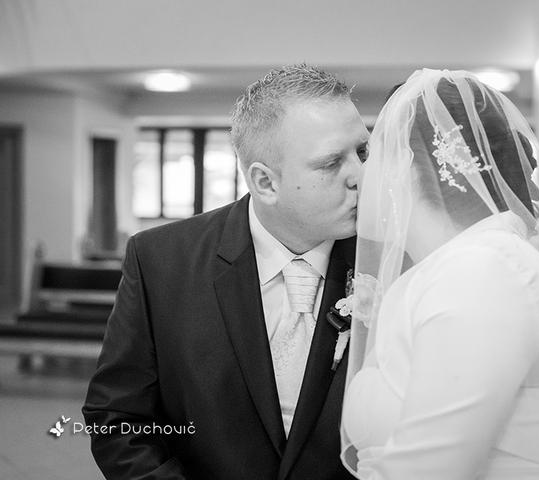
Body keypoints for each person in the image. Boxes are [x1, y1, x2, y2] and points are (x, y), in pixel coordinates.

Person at [83, 64, 369, 479]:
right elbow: (118, 417)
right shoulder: (161, 260)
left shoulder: (393, 262)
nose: (360, 175)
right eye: (330, 163)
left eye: (362, 152)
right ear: (265, 183)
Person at [340, 69, 539, 480]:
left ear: (407, 169)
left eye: (372, 153)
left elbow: (427, 470)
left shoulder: (483, 273)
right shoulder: (451, 268)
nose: (359, 176)